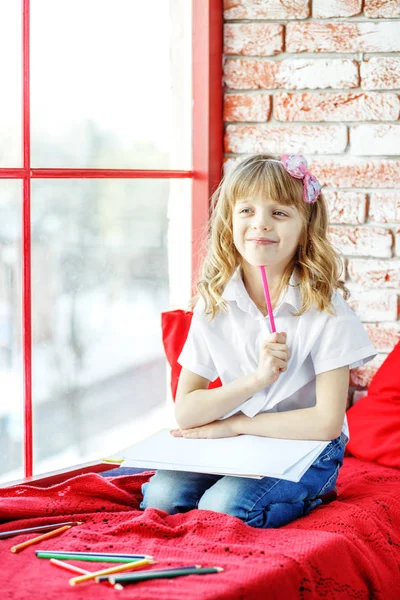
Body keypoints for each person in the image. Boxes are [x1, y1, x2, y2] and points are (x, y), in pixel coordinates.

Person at [141, 153, 377, 528]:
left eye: (279, 213)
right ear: (228, 222)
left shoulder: (325, 309)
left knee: (223, 506)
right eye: (246, 210)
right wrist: (256, 380)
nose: (260, 224)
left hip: (307, 445)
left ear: (305, 226)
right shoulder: (214, 303)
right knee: (161, 498)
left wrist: (234, 424)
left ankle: (316, 493)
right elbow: (186, 411)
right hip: (242, 442)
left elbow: (327, 422)